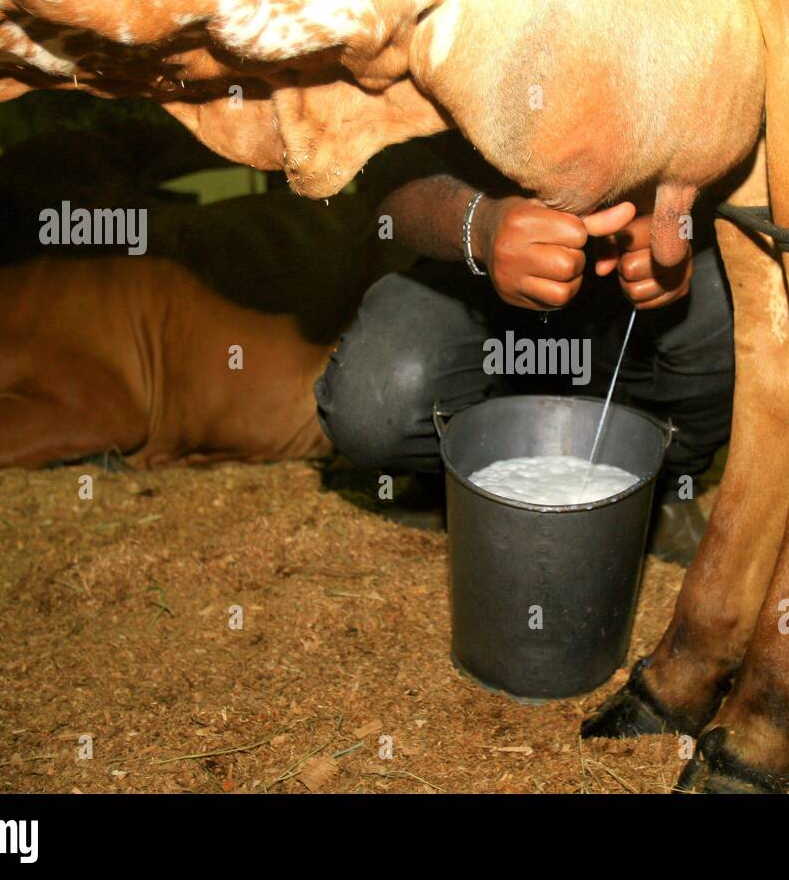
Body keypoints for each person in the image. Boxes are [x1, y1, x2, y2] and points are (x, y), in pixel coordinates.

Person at [315, 135, 735, 563]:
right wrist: (480, 225)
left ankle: (662, 485)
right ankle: (449, 474)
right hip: (474, 283)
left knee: (734, 296)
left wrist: (677, 223)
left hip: (629, 307)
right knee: (374, 405)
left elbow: (736, 159)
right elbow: (387, 170)